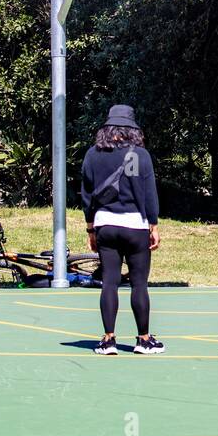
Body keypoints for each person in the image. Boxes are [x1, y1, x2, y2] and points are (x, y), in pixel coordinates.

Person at [81, 104, 162, 355]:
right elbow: (149, 193)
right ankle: (144, 340)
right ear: (132, 129)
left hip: (105, 223)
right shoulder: (140, 155)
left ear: (108, 127)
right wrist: (154, 224)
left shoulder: (93, 154)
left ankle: (108, 340)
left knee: (109, 283)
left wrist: (91, 228)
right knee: (139, 284)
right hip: (135, 224)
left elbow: (86, 193)